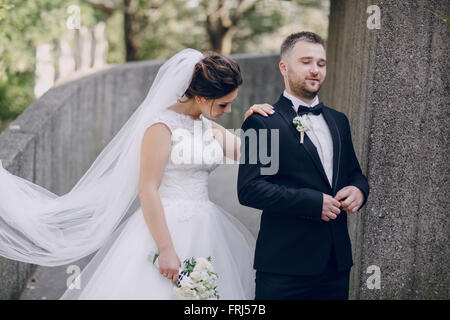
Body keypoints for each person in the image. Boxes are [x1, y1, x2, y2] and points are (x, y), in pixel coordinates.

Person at [0, 49, 274, 299]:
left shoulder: (208, 128)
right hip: (164, 227)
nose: (228, 111)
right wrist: (166, 249)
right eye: (224, 105)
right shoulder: (161, 128)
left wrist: (255, 120)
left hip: (208, 226)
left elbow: (256, 156)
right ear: (201, 97)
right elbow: (148, 189)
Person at [238, 31, 370, 300]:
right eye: (306, 61)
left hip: (336, 265)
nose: (315, 70)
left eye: (321, 64)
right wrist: (311, 203)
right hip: (285, 268)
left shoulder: (339, 120)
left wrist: (359, 190)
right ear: (284, 67)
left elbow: (354, 173)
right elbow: (250, 189)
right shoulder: (261, 122)